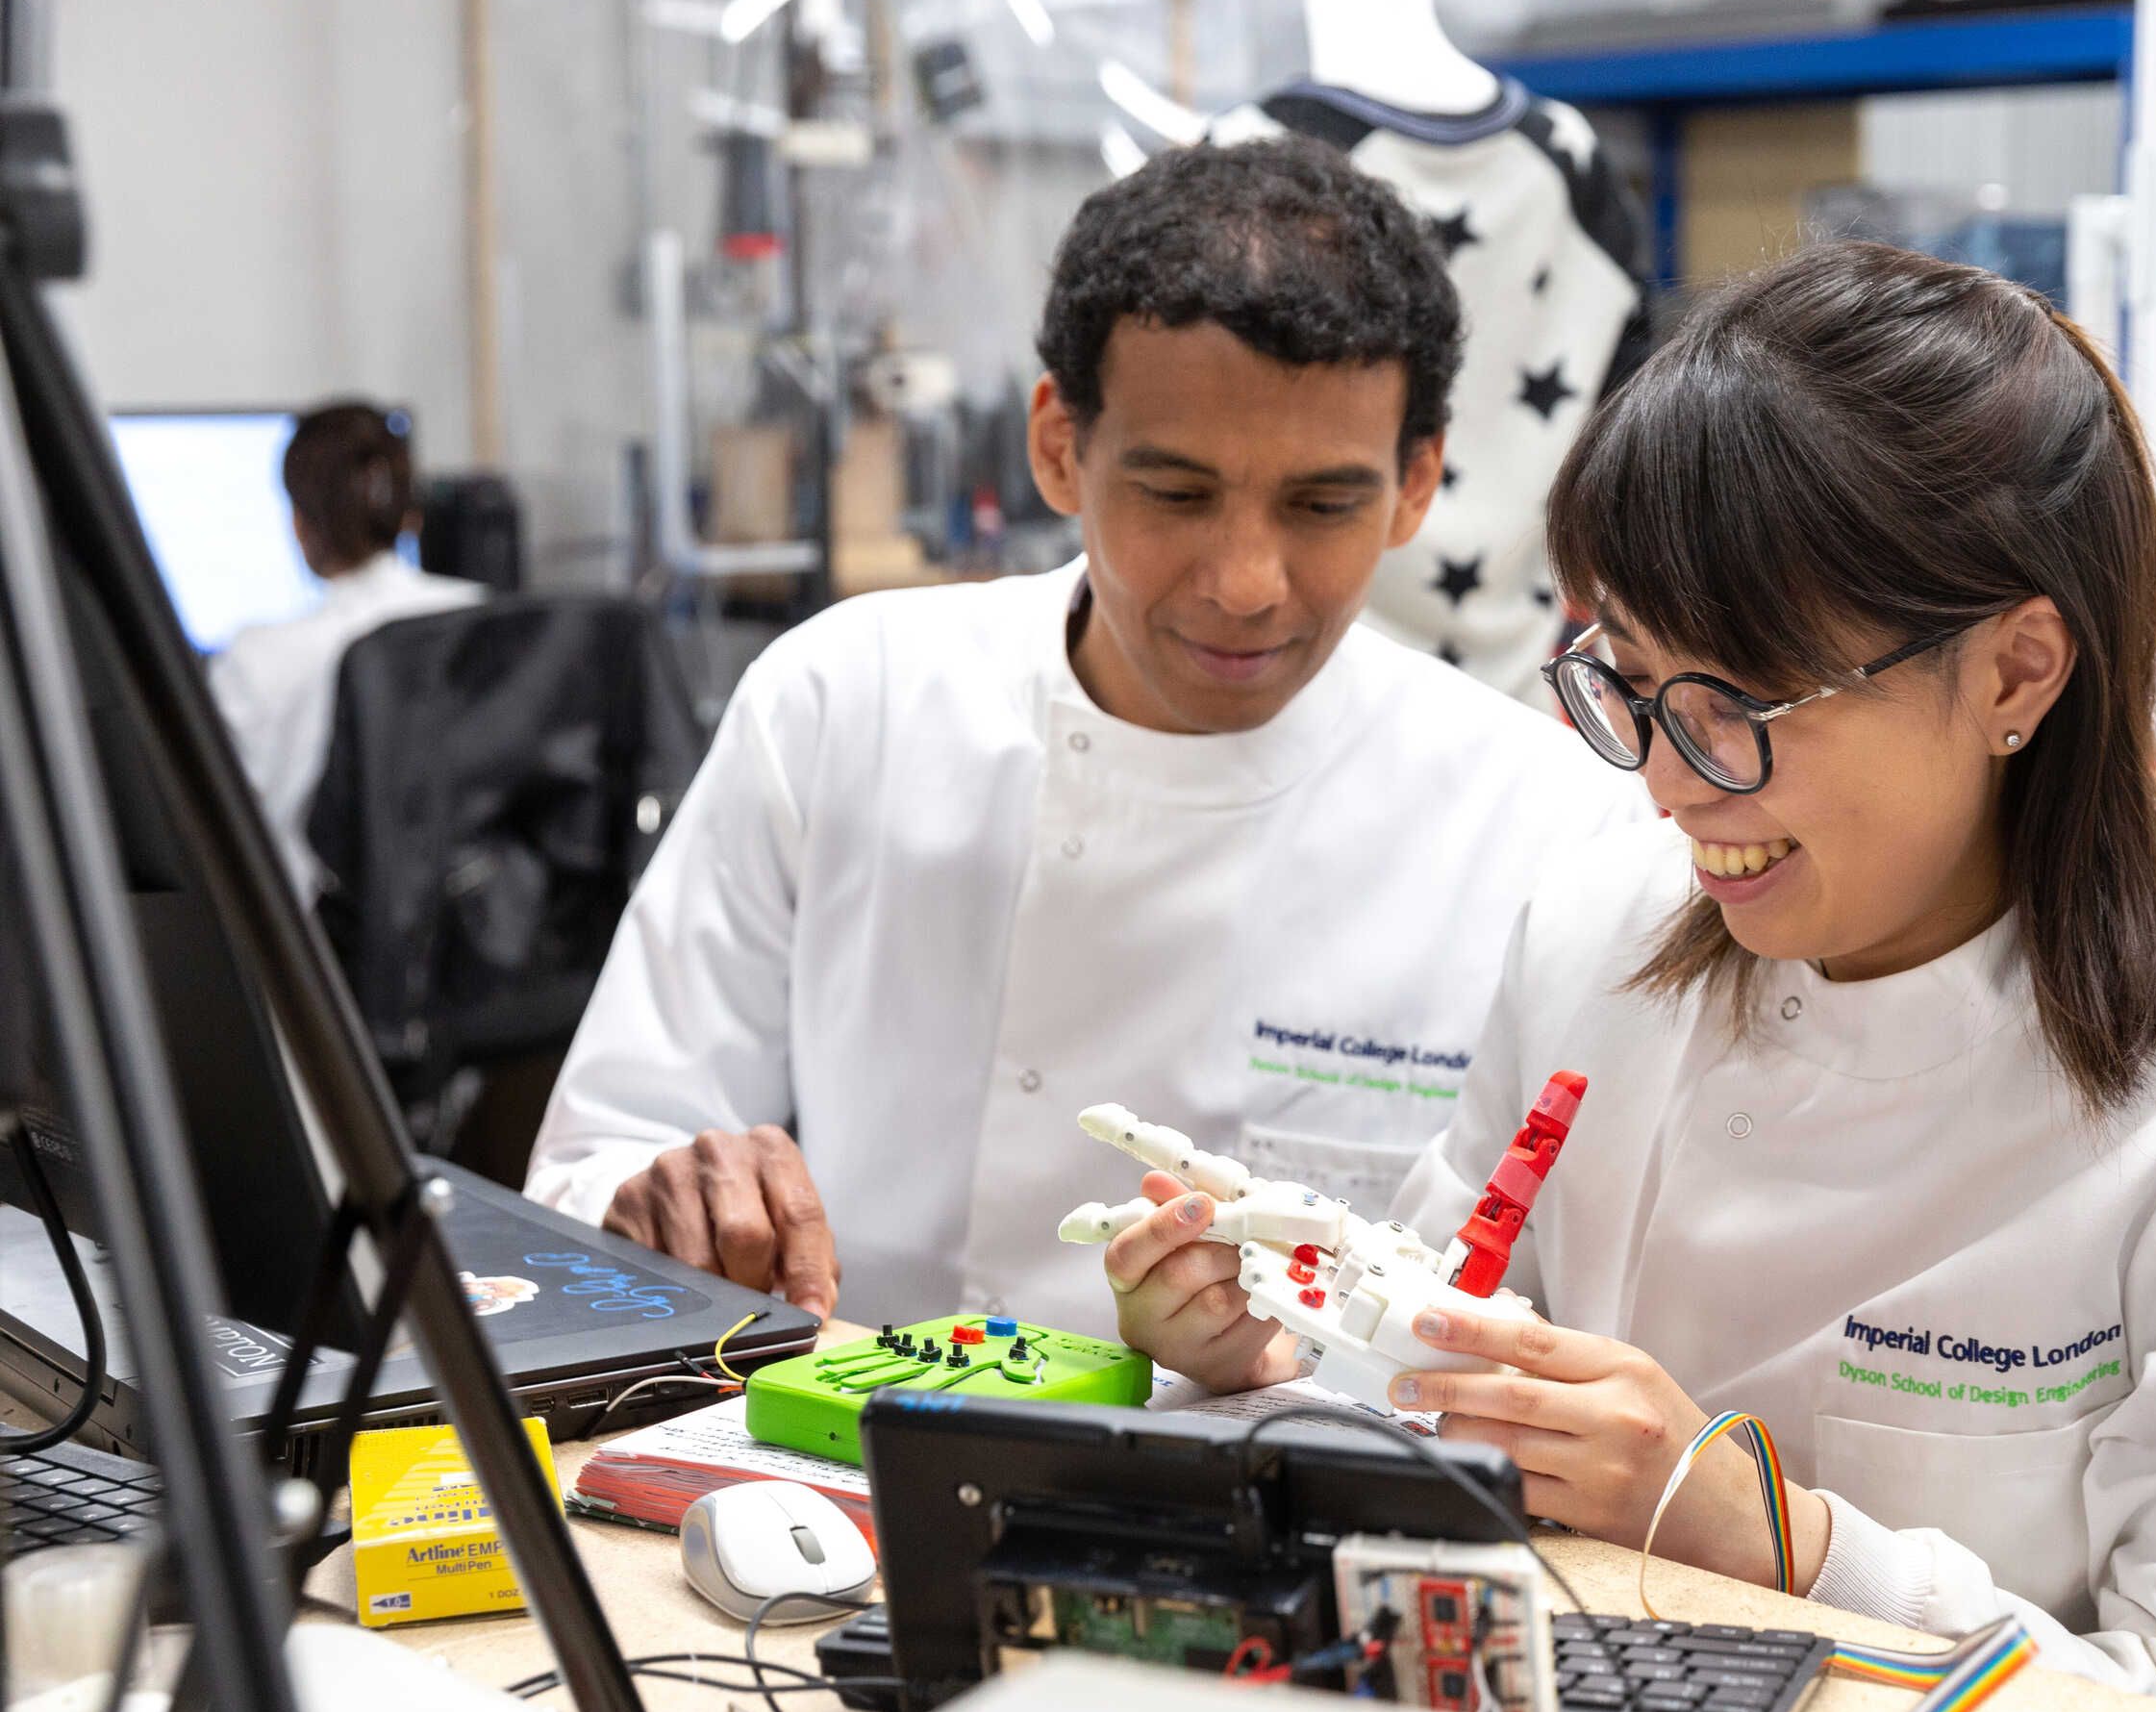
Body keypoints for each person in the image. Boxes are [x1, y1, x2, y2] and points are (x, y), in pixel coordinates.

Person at [1098, 243, 2156, 1712]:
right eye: (1631, 682)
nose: (1674, 784)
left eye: (1740, 707)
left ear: (2017, 671)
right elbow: (1441, 1382)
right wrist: (1276, 1355)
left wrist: (1788, 1542)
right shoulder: (1597, 940)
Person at [526, 139, 1640, 1330]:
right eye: (1175, 493)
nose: (1247, 581)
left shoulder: (1536, 820)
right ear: (1061, 445)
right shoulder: (847, 702)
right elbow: (596, 1163)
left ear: (1418, 482)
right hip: (846, 1458)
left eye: (1323, 504)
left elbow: (1542, 1320)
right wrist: (672, 1201)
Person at [208, 402, 482, 901]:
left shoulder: (255, 662)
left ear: (300, 526)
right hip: (471, 942)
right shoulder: (484, 622)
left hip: (316, 960)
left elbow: (213, 830)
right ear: (410, 516)